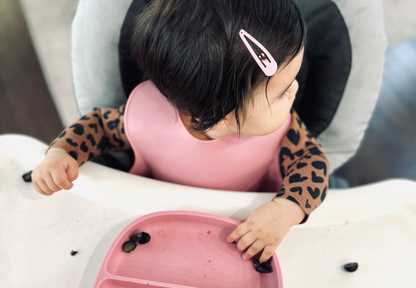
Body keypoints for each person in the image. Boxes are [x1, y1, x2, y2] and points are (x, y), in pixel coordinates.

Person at [32, 0, 329, 264]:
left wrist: (286, 209)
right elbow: (98, 127)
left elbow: (312, 164)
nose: (296, 89)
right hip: (150, 227)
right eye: (281, 92)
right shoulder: (145, 115)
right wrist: (62, 153)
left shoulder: (284, 132)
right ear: (221, 116)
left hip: (239, 235)